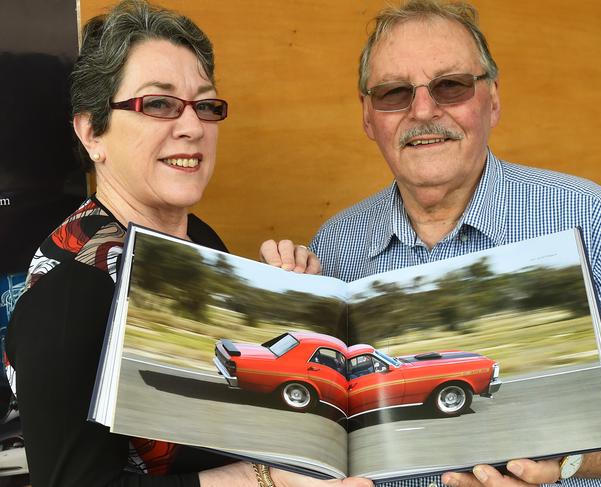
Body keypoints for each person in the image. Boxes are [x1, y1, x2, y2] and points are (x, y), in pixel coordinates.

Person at [260, 1, 601, 487]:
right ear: (367, 116)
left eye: (451, 85)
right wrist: (286, 302)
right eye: (394, 93)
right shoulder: (335, 247)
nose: (423, 110)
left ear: (492, 99)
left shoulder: (593, 220)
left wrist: (565, 461)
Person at [4, 2, 374, 487]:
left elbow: (221, 398)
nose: (192, 126)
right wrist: (261, 478)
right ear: (92, 131)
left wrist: (288, 309)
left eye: (205, 104)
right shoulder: (72, 291)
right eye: (158, 104)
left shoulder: (195, 238)